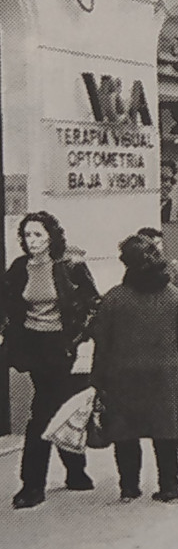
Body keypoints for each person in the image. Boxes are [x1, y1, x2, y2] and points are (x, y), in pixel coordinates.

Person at [4, 212, 101, 509]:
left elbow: (94, 305)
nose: (32, 241)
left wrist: (81, 340)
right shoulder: (19, 268)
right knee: (54, 406)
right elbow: (8, 303)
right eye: (28, 235)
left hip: (63, 346)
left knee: (43, 411)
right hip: (33, 346)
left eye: (38, 235)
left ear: (52, 237)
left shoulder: (70, 267)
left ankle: (32, 485)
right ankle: (75, 472)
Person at [91, 235, 178, 503]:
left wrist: (98, 379)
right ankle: (170, 488)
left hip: (122, 376)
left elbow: (103, 344)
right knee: (166, 433)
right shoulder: (175, 297)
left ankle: (129, 487)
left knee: (125, 433)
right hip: (164, 374)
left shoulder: (114, 299)